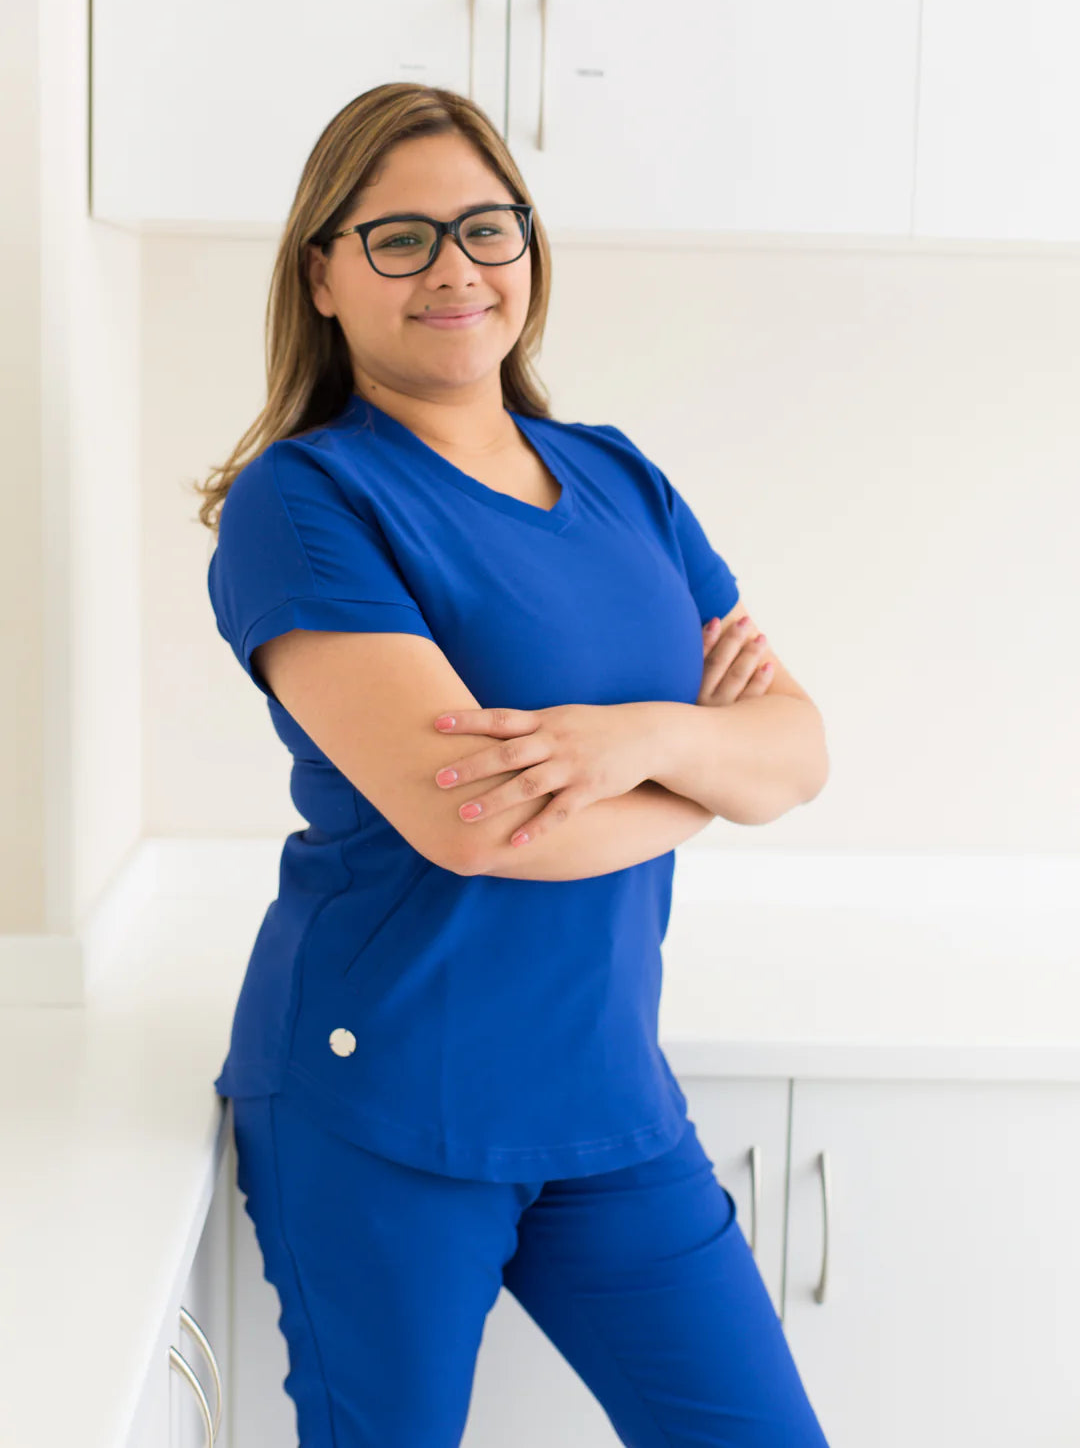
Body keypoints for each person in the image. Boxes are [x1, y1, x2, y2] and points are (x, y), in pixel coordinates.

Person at [194, 83, 831, 1447]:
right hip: (382, 1104)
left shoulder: (619, 477)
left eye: (489, 228)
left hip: (607, 1096)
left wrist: (639, 742)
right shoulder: (305, 501)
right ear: (321, 274)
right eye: (401, 238)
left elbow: (798, 752)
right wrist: (709, 785)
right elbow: (476, 823)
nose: (457, 268)